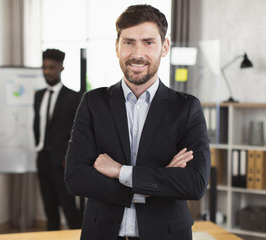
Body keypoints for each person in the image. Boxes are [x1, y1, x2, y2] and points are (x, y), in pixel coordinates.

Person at [65, 4, 210, 240]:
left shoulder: (187, 108)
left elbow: (194, 183)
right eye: (129, 42)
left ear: (165, 47)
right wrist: (154, 185)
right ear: (117, 46)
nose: (137, 53)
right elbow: (76, 177)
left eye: (148, 42)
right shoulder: (93, 103)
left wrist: (119, 171)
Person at [33, 49, 83, 230]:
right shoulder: (38, 95)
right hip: (43, 159)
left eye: (51, 68)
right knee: (49, 210)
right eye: (44, 67)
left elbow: (77, 132)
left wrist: (68, 158)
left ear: (61, 68)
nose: (47, 71)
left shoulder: (73, 97)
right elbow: (38, 125)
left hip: (63, 162)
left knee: (70, 210)